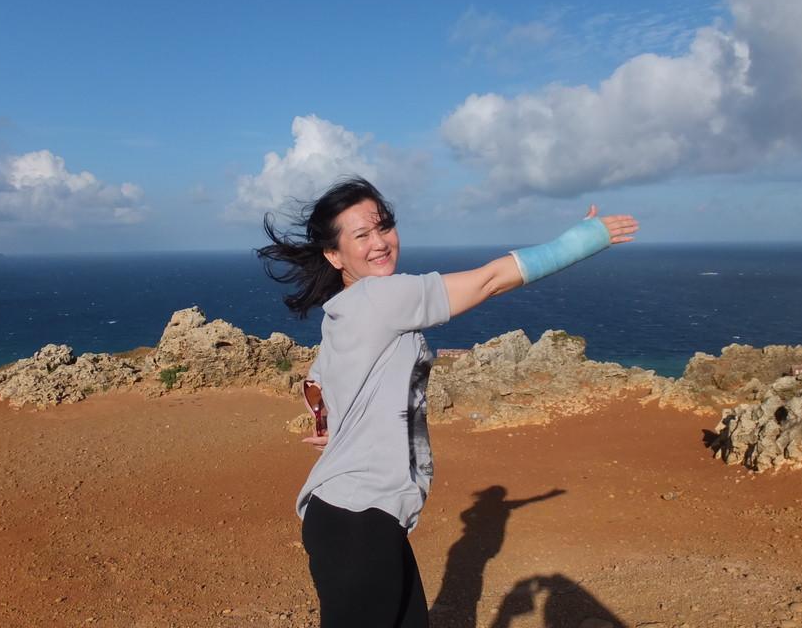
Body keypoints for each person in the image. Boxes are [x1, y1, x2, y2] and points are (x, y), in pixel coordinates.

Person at [257, 177, 638, 628]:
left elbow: (315, 382)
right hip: (357, 524)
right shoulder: (380, 296)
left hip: (357, 516)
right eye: (361, 235)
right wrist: (583, 240)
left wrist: (332, 426)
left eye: (384, 227)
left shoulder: (342, 309)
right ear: (334, 255)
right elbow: (490, 281)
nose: (380, 242)